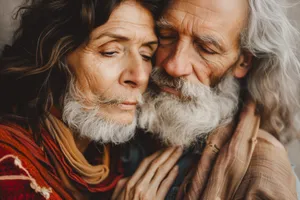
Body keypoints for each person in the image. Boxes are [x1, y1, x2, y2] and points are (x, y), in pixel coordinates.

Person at [113, 0, 300, 199]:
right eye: (166, 36)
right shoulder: (110, 119)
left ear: (243, 61)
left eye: (206, 49)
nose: (174, 66)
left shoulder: (262, 177)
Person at [0, 0, 167, 199]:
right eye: (111, 52)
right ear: (56, 57)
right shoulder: (8, 167)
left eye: (146, 55)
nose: (139, 76)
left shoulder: (118, 159)